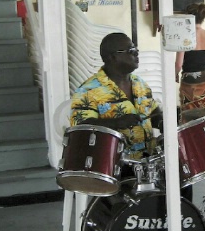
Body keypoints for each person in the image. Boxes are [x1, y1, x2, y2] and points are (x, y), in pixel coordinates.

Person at [70, 33, 192, 200]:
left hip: (149, 159)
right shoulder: (89, 90)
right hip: (118, 164)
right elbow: (81, 127)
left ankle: (178, 222)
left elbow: (153, 111)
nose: (136, 53)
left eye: (135, 49)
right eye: (130, 50)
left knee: (184, 175)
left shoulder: (139, 83)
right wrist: (116, 122)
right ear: (112, 57)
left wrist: (162, 122)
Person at [175, 2, 205, 122]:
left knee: (188, 112)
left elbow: (179, 64)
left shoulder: (185, 36)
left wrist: (175, 74)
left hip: (190, 79)